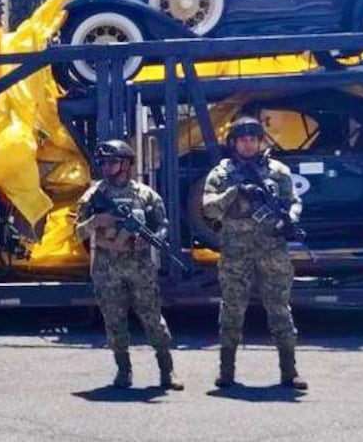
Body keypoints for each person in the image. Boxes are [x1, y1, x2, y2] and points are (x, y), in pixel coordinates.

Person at [202, 116, 308, 390]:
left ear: (261, 141)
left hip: (272, 251)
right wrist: (234, 193)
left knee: (280, 311)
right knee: (232, 312)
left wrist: (291, 219)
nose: (248, 145)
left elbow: (293, 202)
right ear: (234, 143)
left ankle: (289, 371)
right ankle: (227, 372)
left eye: (253, 139)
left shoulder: (278, 171)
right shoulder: (221, 174)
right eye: (243, 140)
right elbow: (208, 208)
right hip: (235, 254)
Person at [74, 140, 183, 390]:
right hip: (107, 267)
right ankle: (123, 371)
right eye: (103, 163)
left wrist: (158, 238)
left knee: (153, 320)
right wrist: (96, 220)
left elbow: (163, 223)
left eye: (112, 162)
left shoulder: (145, 195)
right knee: (114, 322)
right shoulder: (92, 197)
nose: (106, 167)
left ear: (126, 164)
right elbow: (76, 233)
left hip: (140, 267)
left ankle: (167, 371)